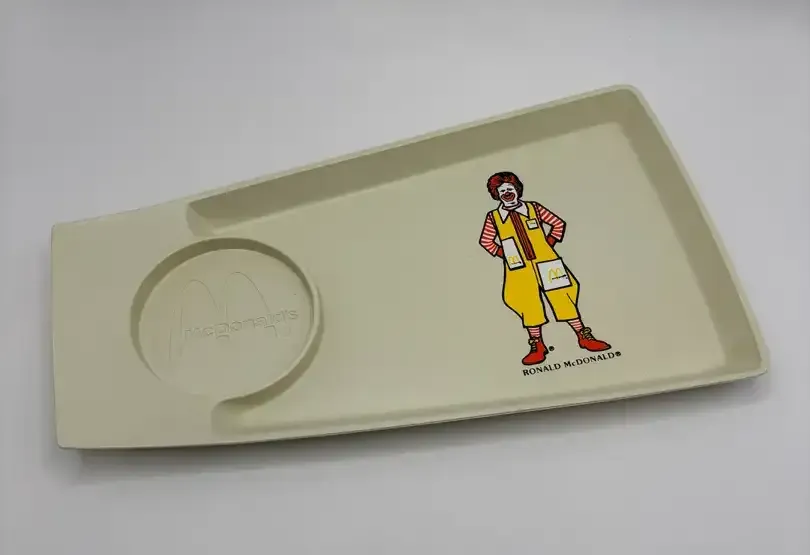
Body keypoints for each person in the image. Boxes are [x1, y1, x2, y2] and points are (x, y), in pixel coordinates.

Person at [478, 171, 611, 365]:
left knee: (563, 296)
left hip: (547, 262)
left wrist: (548, 244)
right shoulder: (494, 217)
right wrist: (504, 254)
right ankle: (537, 345)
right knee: (527, 302)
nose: (507, 193)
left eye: (510, 188)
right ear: (496, 194)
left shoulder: (534, 208)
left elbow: (558, 224)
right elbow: (486, 241)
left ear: (517, 189)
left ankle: (584, 336)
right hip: (518, 269)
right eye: (502, 190)